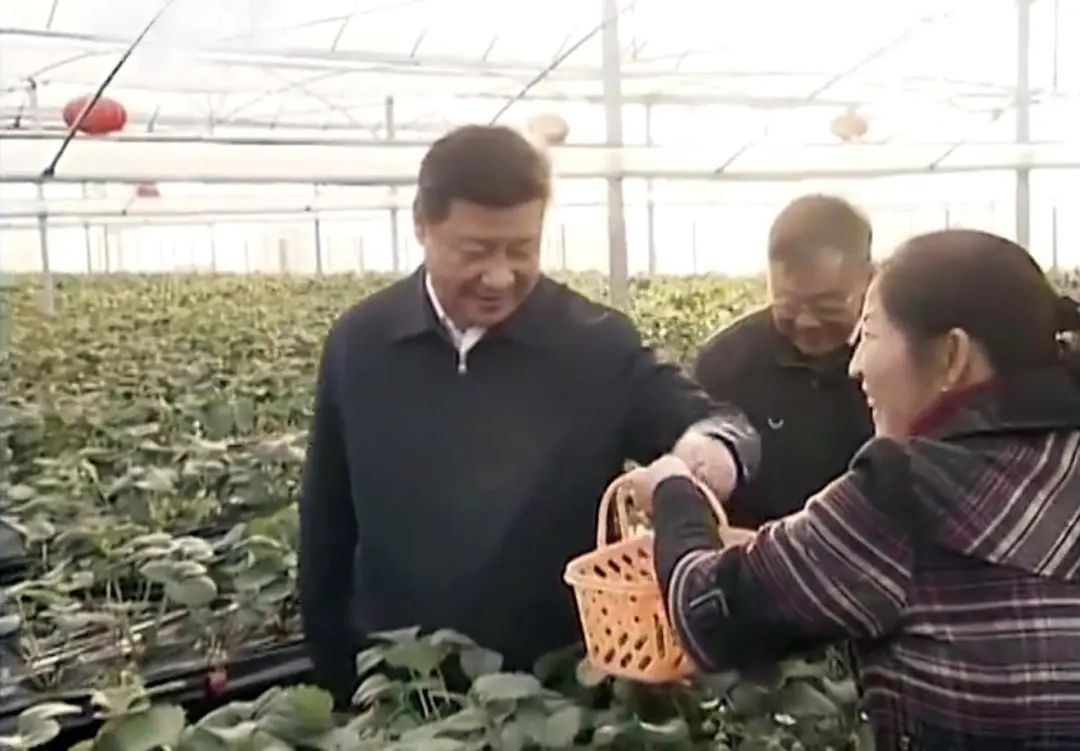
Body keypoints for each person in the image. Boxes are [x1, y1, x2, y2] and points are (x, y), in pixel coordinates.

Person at [298, 124, 748, 704]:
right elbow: (327, 521)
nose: (499, 276)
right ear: (422, 226)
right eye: (475, 252)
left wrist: (709, 450)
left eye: (522, 249)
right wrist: (336, 677)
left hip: (556, 695)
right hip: (402, 694)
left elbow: (716, 423)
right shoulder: (362, 343)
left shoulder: (594, 345)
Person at [638, 229, 1080, 748]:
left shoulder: (903, 493)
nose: (854, 364)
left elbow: (708, 611)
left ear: (952, 356)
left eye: (869, 334)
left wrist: (675, 491)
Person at [693, 195, 874, 528]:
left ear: (867, 278)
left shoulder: (895, 361)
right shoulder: (727, 363)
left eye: (827, 305)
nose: (807, 321)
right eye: (788, 304)